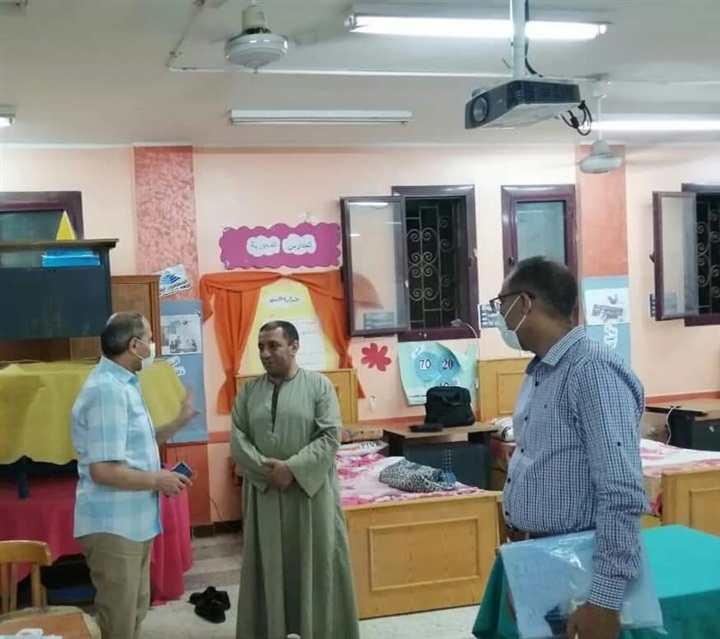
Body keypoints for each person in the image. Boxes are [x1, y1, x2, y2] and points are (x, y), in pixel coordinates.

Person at [492, 257, 648, 639]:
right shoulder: (543, 371)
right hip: (541, 562)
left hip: (580, 568)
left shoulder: (591, 371)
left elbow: (622, 491)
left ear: (524, 304)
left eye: (501, 304)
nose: (500, 317)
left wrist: (605, 601)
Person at [71, 312, 198, 639]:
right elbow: (102, 470)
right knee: (120, 619)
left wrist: (179, 421)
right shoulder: (107, 390)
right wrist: (158, 479)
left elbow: (137, 443)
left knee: (134, 609)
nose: (153, 346)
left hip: (134, 523)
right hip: (113, 526)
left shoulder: (124, 383)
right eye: (150, 339)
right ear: (134, 345)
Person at [231, 320, 360, 639]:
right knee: (267, 565)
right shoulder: (248, 392)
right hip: (264, 494)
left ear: (294, 346)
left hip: (309, 495)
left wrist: (292, 469)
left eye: (273, 345)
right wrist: (267, 470)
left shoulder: (319, 387)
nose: (265, 353)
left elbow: (329, 436)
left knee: (316, 563)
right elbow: (238, 439)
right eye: (261, 347)